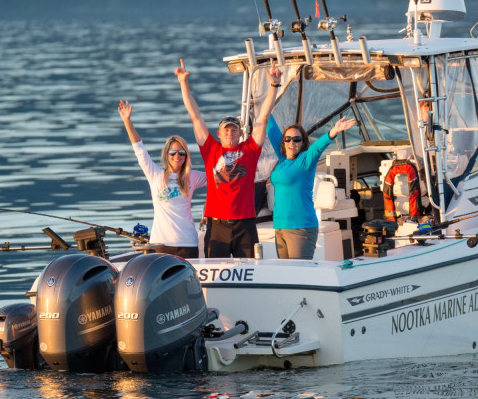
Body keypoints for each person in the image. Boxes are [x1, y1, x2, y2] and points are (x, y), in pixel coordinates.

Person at [174, 58, 279, 258]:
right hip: (217, 225)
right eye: (226, 130)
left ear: (240, 134)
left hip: (245, 224)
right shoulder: (210, 149)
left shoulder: (250, 149)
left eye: (234, 130)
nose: (230, 133)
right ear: (219, 133)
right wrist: (183, 84)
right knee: (216, 274)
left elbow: (263, 118)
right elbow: (195, 116)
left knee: (250, 273)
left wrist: (274, 85)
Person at [118, 100, 206, 258]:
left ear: (186, 156)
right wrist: (127, 121)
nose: (177, 156)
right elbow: (139, 149)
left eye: (181, 153)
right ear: (167, 155)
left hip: (188, 244)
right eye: (173, 153)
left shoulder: (192, 176)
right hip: (160, 244)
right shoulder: (155, 174)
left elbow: (219, 177)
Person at [267, 115, 356, 259]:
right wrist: (262, 107)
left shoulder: (306, 160)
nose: (292, 142)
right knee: (286, 275)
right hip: (280, 227)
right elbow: (271, 130)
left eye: (297, 139)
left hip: (301, 228)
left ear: (303, 143)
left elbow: (319, 146)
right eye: (288, 139)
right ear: (283, 142)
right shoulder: (283, 159)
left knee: (299, 275)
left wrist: (334, 131)